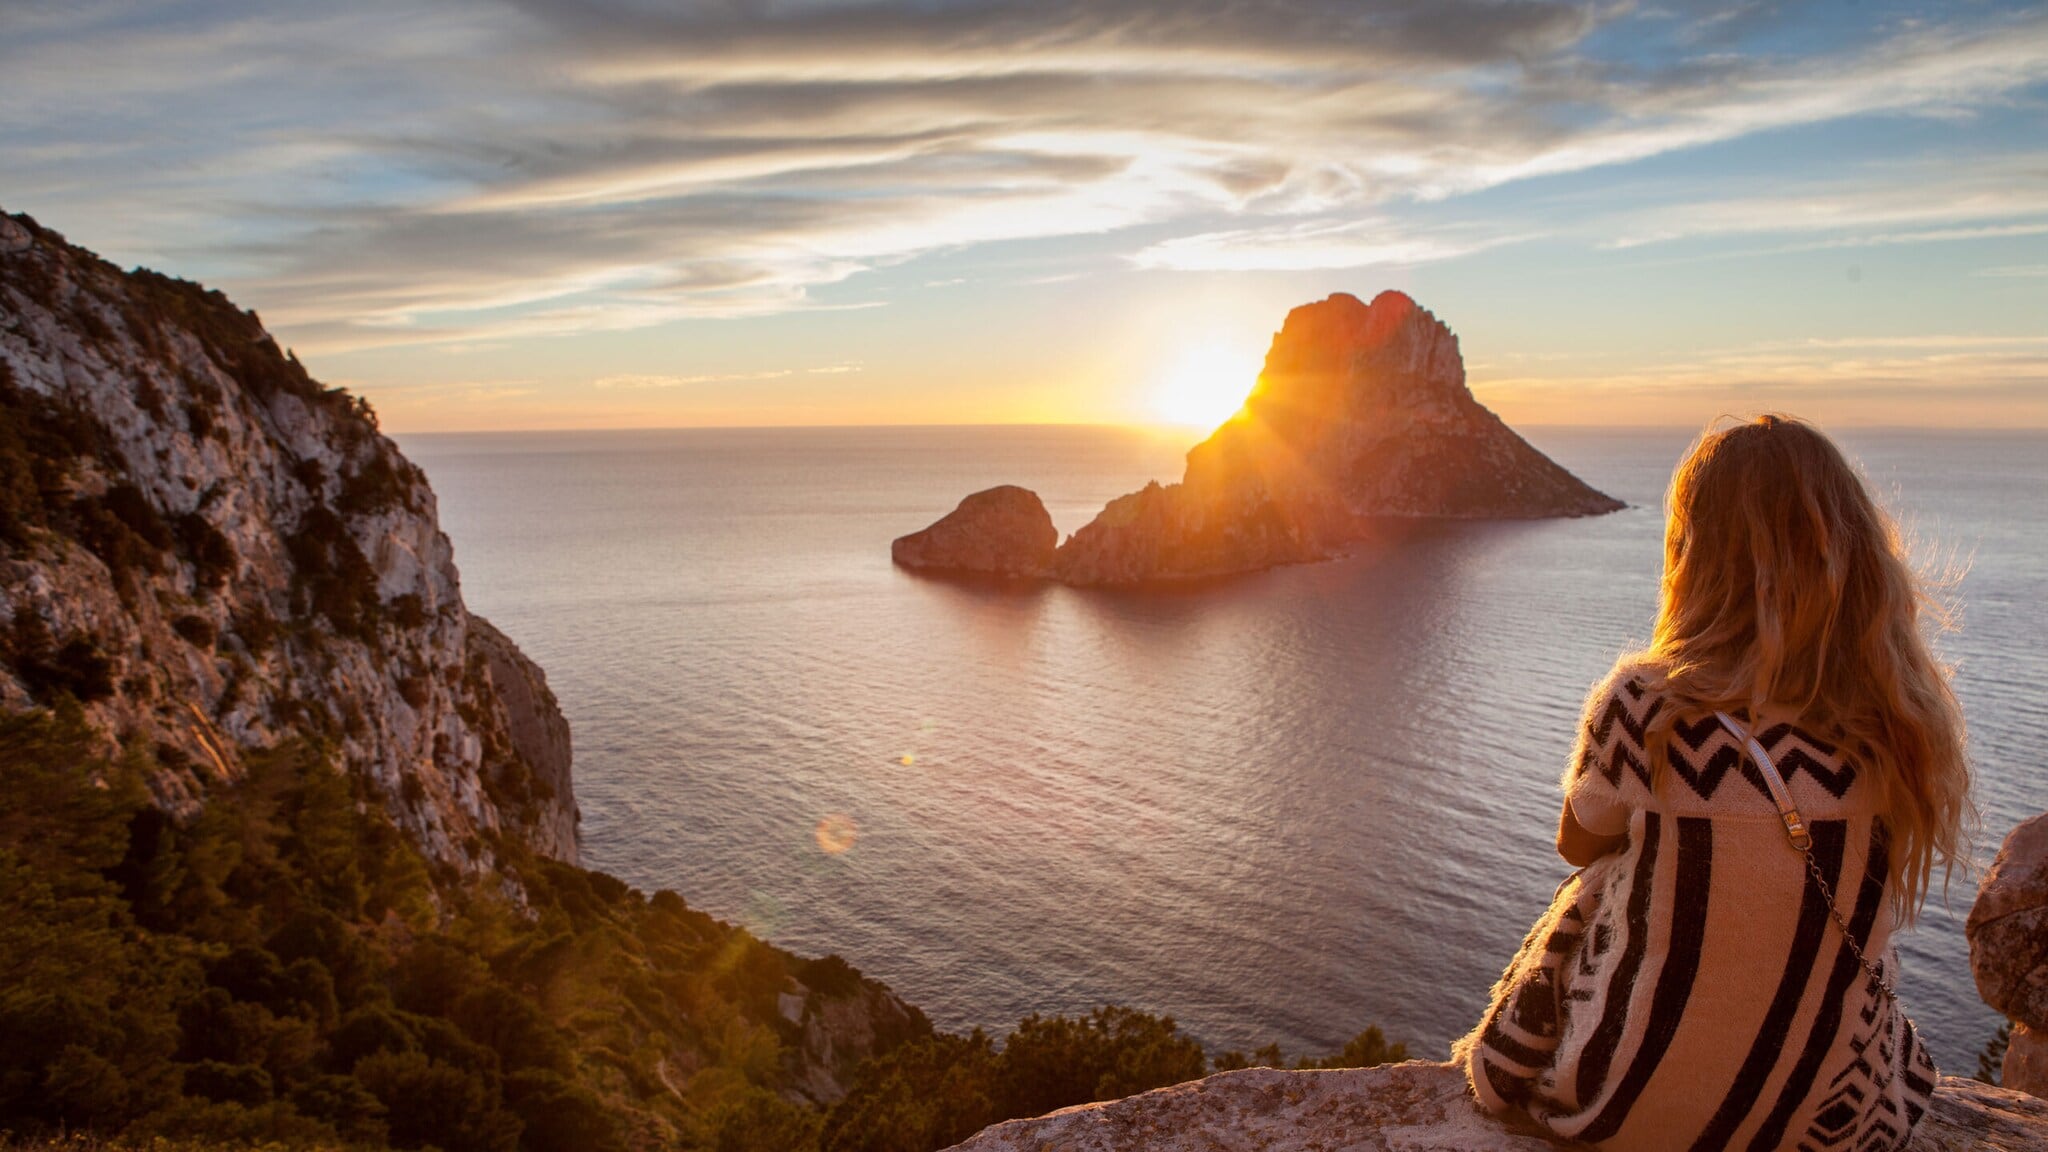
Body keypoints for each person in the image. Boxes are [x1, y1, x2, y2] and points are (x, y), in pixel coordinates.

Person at [1456, 415, 1972, 1151]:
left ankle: (1522, 1063)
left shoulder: (1647, 705)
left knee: (1598, 884)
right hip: (1830, 1126)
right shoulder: (1897, 723)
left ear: (1695, 556)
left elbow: (1577, 842)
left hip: (1618, 1108)